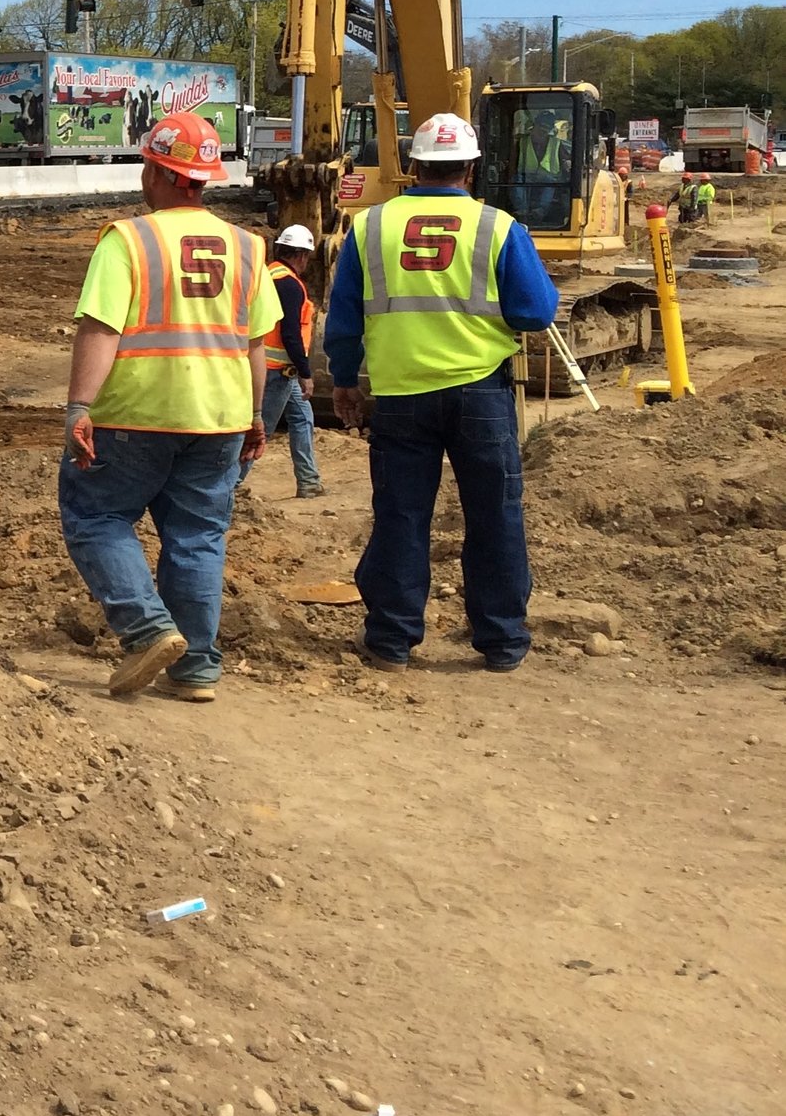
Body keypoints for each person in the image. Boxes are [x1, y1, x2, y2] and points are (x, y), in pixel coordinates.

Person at [327, 111, 558, 674]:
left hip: (401, 395)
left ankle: (391, 640)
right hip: (480, 392)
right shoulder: (497, 226)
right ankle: (502, 642)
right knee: (494, 515)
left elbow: (345, 319)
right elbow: (536, 311)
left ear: (413, 165)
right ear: (471, 168)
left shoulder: (370, 226)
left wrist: (345, 379)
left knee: (401, 516)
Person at [59, 112, 275, 704]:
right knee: (197, 536)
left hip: (136, 413)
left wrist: (79, 406)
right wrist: (257, 416)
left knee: (96, 516)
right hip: (220, 417)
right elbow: (257, 344)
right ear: (204, 178)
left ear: (156, 171)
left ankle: (148, 629)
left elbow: (101, 328)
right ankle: (197, 668)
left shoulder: (128, 239)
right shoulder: (249, 247)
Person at [241, 224, 325, 498]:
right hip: (277, 372)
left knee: (303, 418)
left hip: (277, 371)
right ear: (301, 255)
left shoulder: (268, 274)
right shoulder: (289, 284)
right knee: (259, 431)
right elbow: (290, 333)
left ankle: (309, 482)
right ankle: (232, 485)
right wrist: (306, 372)